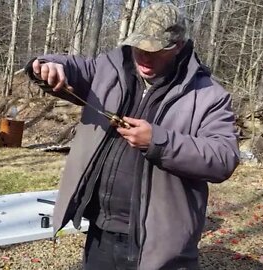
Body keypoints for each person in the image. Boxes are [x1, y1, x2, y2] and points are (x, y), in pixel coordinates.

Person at [26, 3, 240, 269]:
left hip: (161, 245)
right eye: (140, 47)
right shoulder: (109, 68)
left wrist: (158, 142)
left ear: (178, 46)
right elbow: (70, 65)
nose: (145, 58)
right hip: (101, 233)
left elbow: (224, 158)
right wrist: (46, 66)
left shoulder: (208, 95)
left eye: (157, 51)